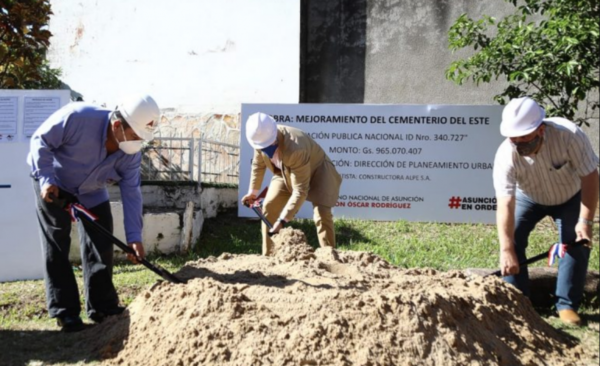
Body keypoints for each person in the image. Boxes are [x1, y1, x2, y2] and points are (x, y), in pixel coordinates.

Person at [28, 94, 160, 332]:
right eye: (134, 136)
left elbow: (132, 193)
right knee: (57, 243)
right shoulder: (78, 117)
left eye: (142, 139)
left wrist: (134, 238)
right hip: (54, 183)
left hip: (91, 190)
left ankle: (102, 307)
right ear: (117, 125)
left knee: (101, 244)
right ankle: (65, 312)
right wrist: (47, 179)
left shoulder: (131, 154)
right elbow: (41, 140)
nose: (137, 143)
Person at [493, 96, 598, 325]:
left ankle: (567, 305)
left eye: (525, 137)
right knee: (514, 237)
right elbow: (505, 203)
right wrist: (506, 249)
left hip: (570, 196)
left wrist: (585, 221)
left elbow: (590, 176)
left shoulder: (569, 135)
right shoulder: (505, 155)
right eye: (514, 137)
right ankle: (519, 304)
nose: (519, 142)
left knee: (575, 241)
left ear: (541, 130)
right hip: (528, 197)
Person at [241, 112, 342, 256]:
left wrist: (282, 221)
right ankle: (268, 256)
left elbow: (300, 191)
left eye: (269, 145)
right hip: (285, 171)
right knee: (269, 206)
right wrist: (253, 192)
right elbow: (258, 165)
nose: (265, 149)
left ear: (275, 135)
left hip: (319, 172)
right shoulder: (259, 138)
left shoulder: (296, 148)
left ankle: (329, 255)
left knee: (322, 213)